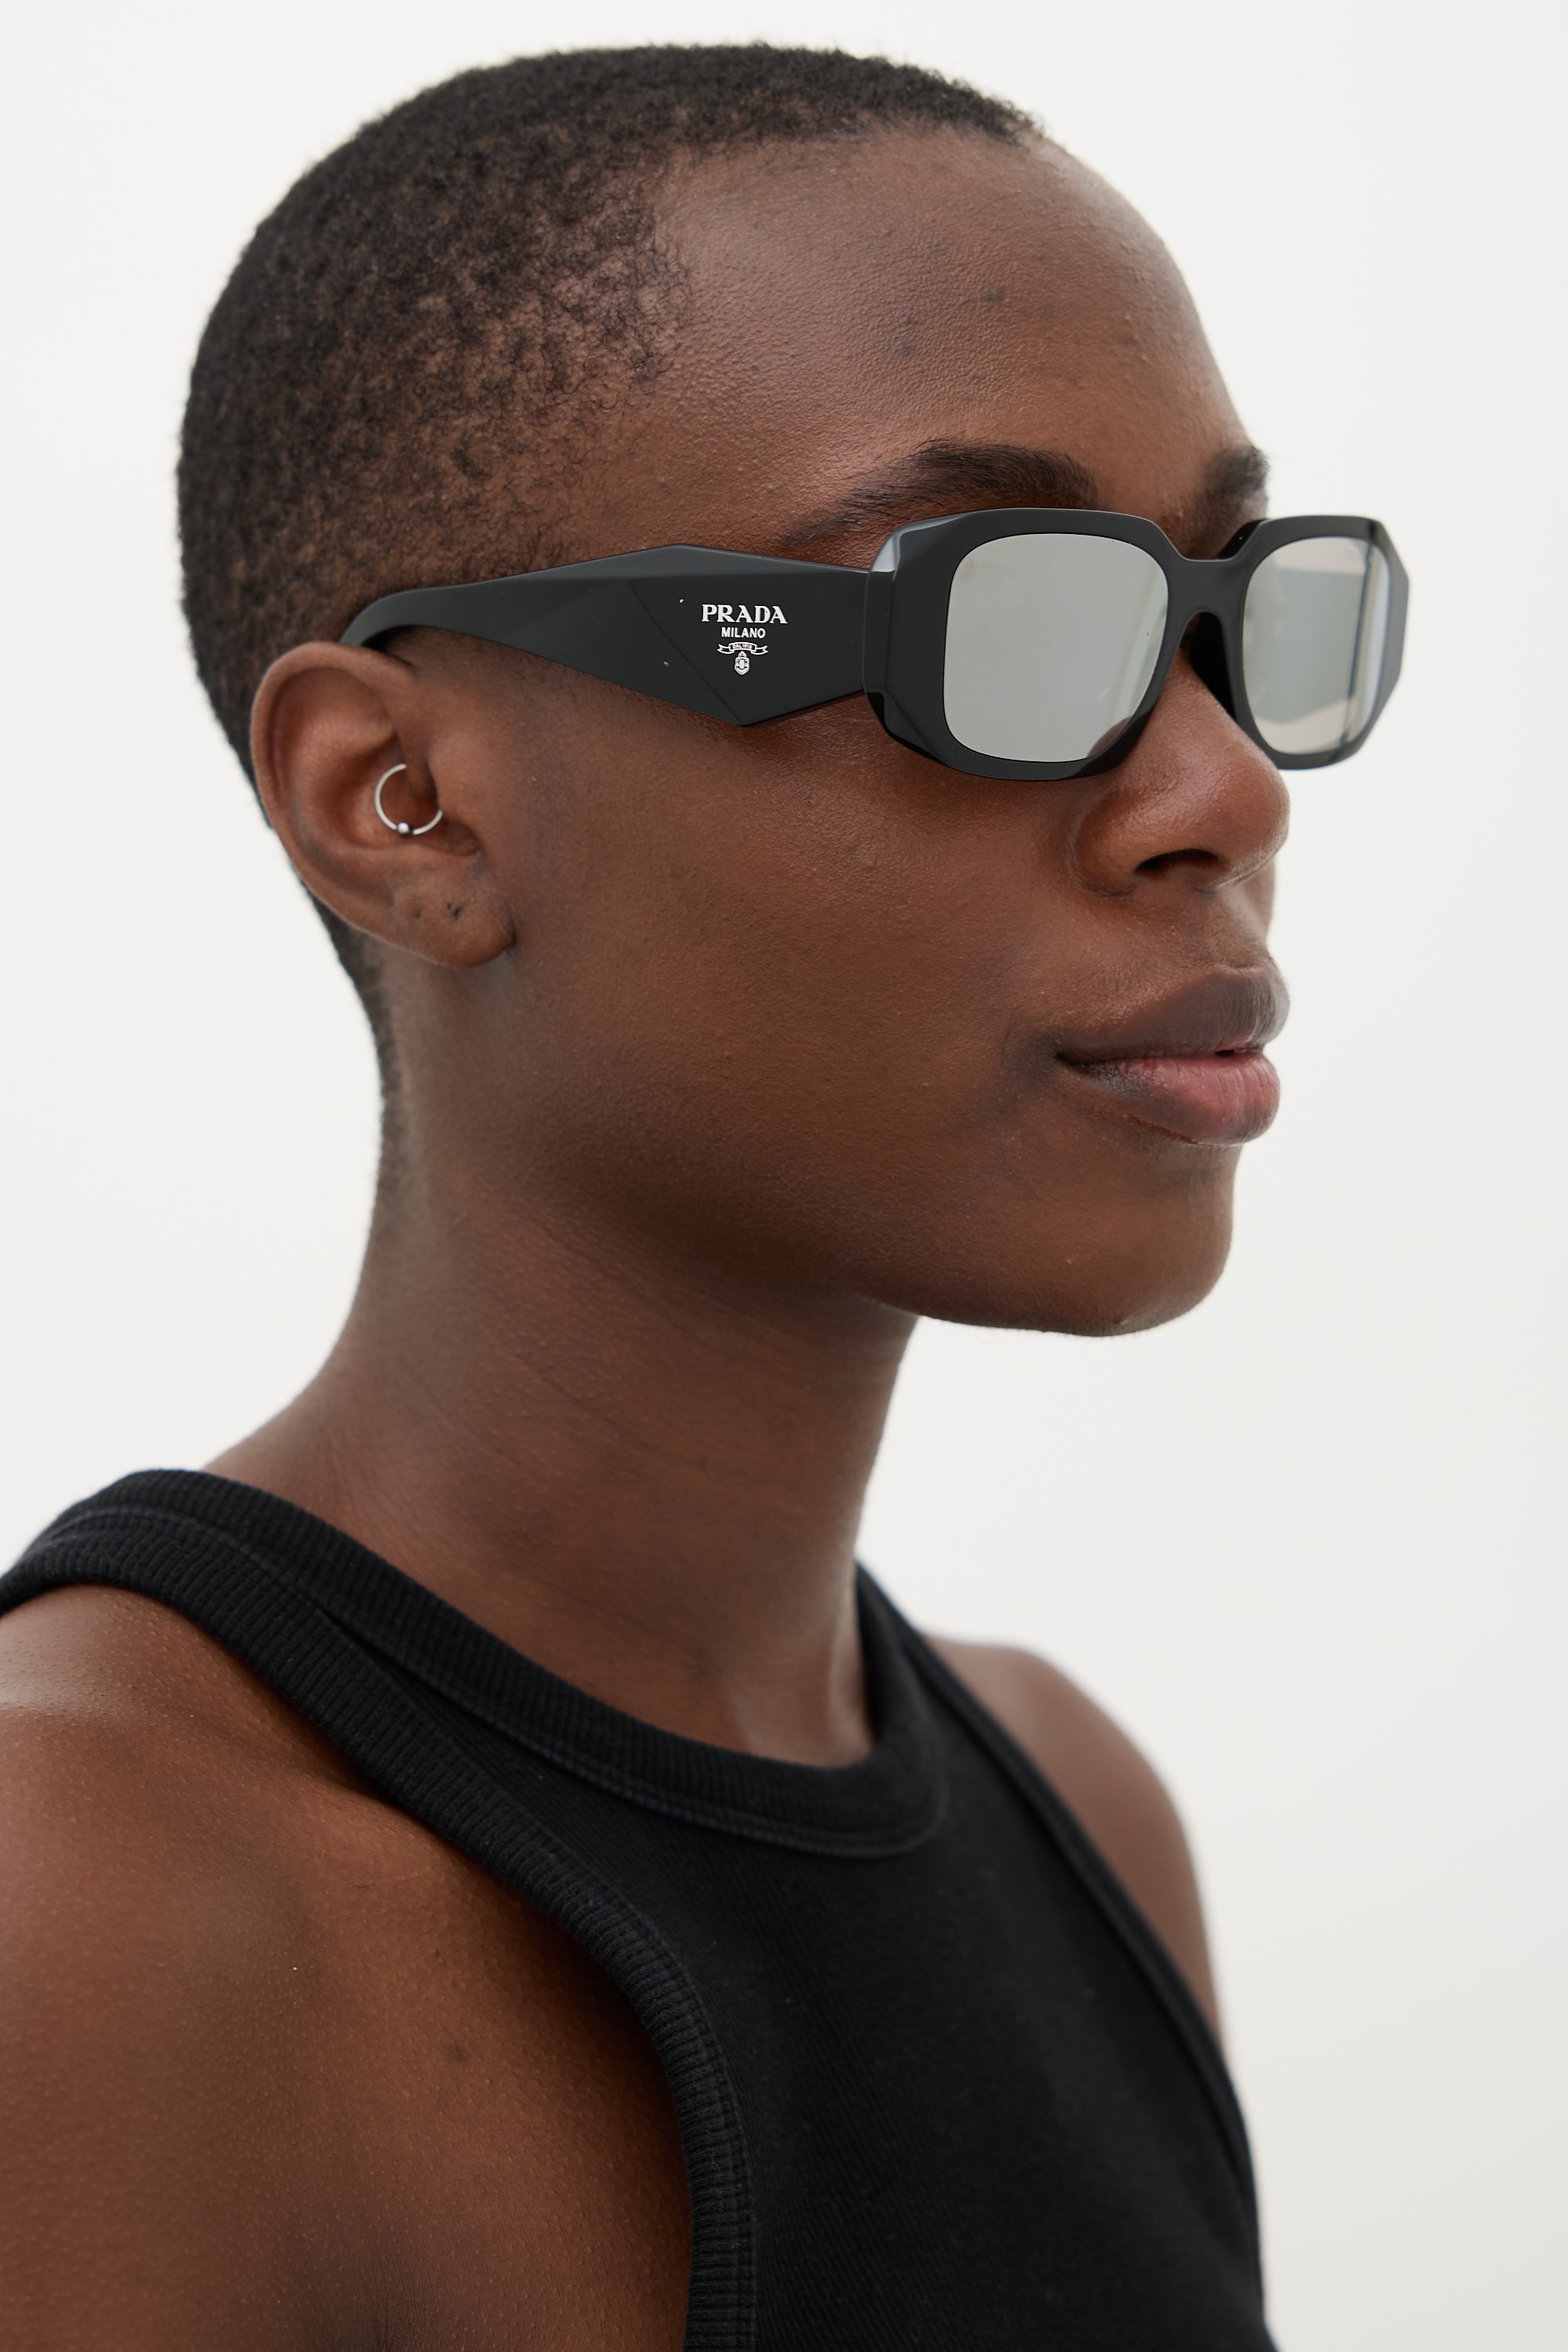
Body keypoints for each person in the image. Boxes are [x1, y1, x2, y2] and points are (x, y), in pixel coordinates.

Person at [0, 43, 1405, 2351]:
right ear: (400, 800)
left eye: (1230, 615)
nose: (1225, 788)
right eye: (994, 618)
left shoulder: (1087, 1819)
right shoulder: (80, 1907)